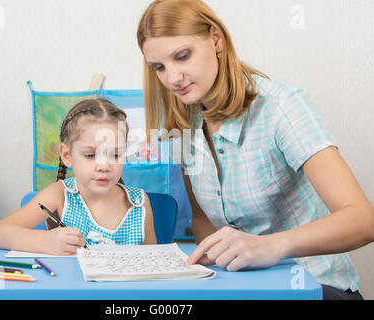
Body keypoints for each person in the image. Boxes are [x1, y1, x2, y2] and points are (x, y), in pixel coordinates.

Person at [137, 0, 373, 300]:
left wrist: (272, 246)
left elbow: (363, 220)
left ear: (215, 39)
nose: (172, 78)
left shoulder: (281, 106)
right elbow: (202, 219)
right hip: (245, 290)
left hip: (316, 286)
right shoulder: (182, 127)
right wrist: (214, 266)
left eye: (182, 56)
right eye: (159, 67)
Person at [0, 98, 157, 255]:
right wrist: (46, 242)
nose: (105, 166)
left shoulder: (139, 203)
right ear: (67, 155)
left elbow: (155, 261)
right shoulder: (60, 195)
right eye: (90, 155)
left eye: (115, 155)